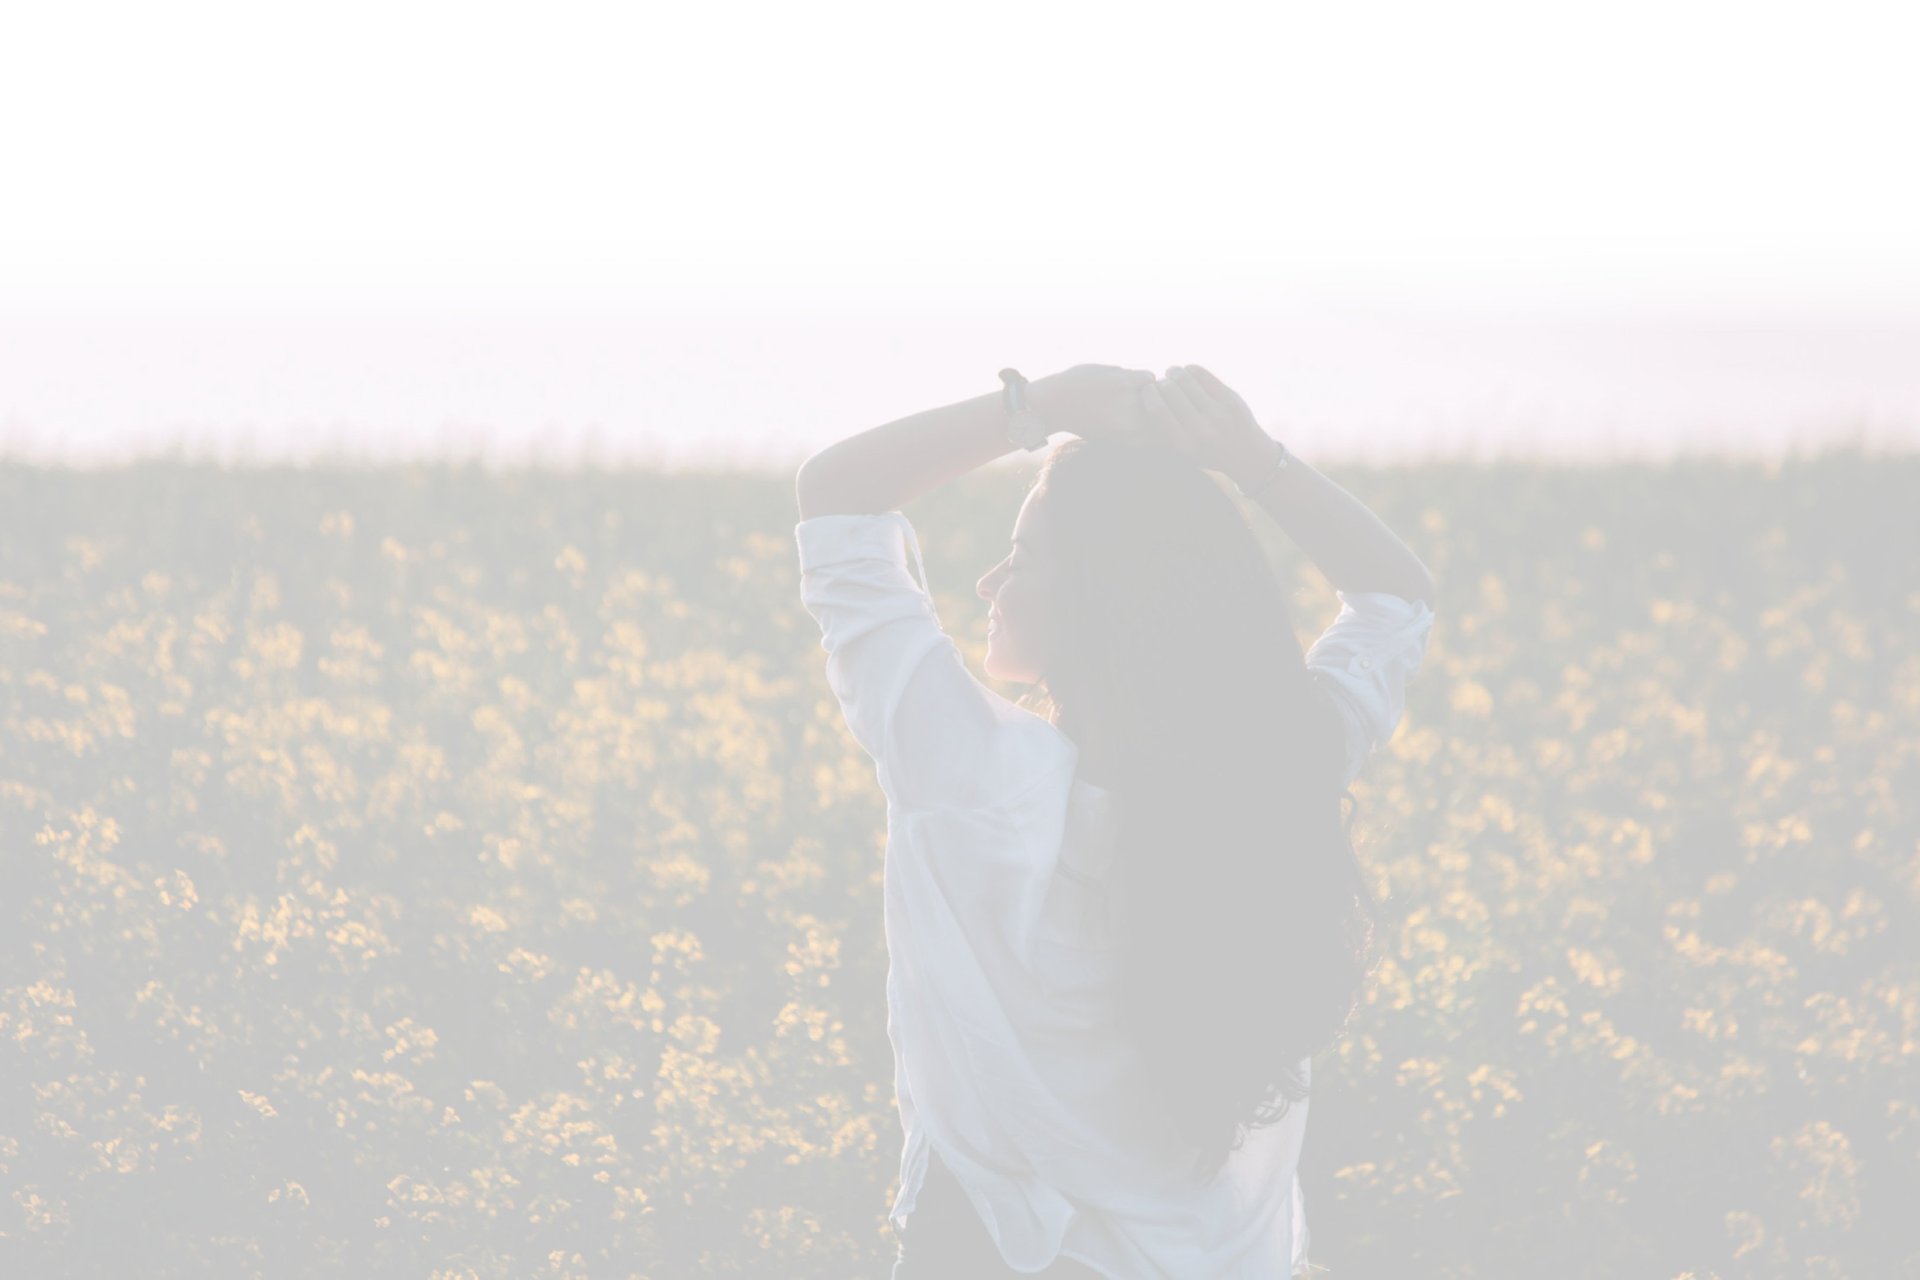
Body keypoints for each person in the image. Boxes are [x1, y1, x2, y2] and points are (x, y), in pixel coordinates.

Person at [794, 364, 1437, 1279]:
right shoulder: (1279, 771)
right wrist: (1252, 460)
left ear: (1097, 600)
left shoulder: (974, 777)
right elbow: (1397, 598)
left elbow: (837, 496)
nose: (989, 581)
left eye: (1023, 559)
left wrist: (1040, 407)